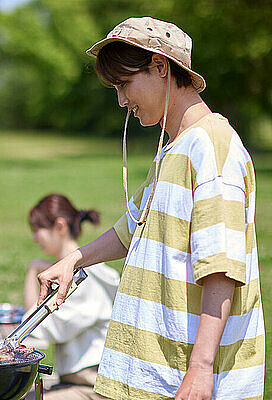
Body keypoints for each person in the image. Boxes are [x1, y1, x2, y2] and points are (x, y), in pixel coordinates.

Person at [36, 17, 264, 400]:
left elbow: (222, 267)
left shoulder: (212, 145)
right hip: (153, 376)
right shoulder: (173, 149)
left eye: (124, 84)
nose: (121, 101)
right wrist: (73, 259)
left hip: (188, 378)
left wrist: (201, 369)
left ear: (160, 67)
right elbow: (131, 230)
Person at [23, 194, 119, 400]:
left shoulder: (83, 278)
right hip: (76, 381)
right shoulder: (80, 273)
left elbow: (36, 329)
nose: (34, 238)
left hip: (94, 387)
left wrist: (33, 271)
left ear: (59, 226)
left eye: (37, 230)